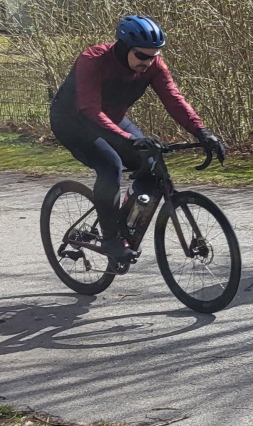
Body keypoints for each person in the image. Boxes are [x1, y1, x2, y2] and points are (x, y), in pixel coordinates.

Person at [48, 16, 225, 267]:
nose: (148, 62)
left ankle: (123, 223)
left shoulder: (153, 65)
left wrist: (202, 132)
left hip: (111, 118)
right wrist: (129, 140)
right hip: (73, 122)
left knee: (151, 163)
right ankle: (110, 239)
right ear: (124, 47)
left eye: (154, 56)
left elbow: (174, 99)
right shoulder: (93, 60)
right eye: (142, 55)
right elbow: (90, 110)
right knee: (110, 165)